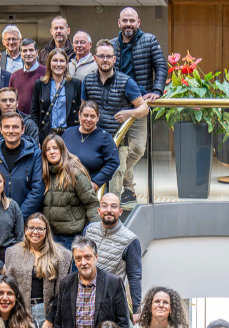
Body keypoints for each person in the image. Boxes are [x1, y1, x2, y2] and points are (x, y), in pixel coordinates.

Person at [110, 6, 167, 205]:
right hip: (116, 105)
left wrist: (157, 91)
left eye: (131, 20)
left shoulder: (149, 40)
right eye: (124, 20)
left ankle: (115, 173)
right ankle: (129, 190)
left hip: (139, 103)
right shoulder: (111, 45)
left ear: (138, 22)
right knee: (119, 148)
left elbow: (161, 66)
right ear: (119, 23)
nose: (128, 24)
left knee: (137, 148)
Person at [2, 213, 70, 328]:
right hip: (21, 310)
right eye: (31, 228)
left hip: (46, 311)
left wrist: (51, 318)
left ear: (47, 231)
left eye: (40, 228)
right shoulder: (13, 253)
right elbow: (8, 286)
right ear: (25, 230)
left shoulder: (61, 255)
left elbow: (63, 291)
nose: (35, 232)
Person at [80, 40, 148, 189]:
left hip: (117, 141)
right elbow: (83, 108)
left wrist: (129, 113)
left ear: (114, 59)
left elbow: (144, 108)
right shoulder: (87, 81)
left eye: (109, 56)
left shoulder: (126, 82)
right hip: (94, 140)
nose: (105, 60)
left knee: (114, 187)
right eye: (102, 56)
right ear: (95, 58)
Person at [49, 238, 131, 328]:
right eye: (78, 258)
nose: (83, 262)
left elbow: (123, 322)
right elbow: (59, 323)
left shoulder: (113, 282)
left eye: (88, 257)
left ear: (96, 257)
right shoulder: (66, 283)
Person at [81, 194, 140, 310]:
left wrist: (137, 308)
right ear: (99, 210)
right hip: (85, 298)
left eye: (114, 206)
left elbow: (134, 277)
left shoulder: (130, 240)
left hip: (111, 303)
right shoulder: (89, 230)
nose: (109, 210)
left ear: (120, 211)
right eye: (104, 206)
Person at [0, 112, 45, 220]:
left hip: (27, 219)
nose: (11, 131)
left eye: (15, 127)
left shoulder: (35, 154)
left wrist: (18, 216)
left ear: (23, 129)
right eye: (6, 127)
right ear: (1, 129)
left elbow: (38, 189)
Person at [40, 134, 99, 249]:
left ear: (62, 150)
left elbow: (91, 203)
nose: (51, 152)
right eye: (47, 149)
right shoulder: (45, 174)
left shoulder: (75, 174)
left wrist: (97, 234)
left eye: (55, 148)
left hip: (71, 237)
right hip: (50, 237)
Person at [63, 102, 120, 193]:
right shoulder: (68, 133)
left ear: (98, 117)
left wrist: (96, 182)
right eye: (85, 115)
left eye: (92, 116)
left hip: (88, 189)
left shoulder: (104, 137)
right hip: (64, 186)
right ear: (79, 115)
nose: (88, 119)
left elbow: (113, 163)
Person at [0, 87, 40, 162]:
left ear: (17, 103)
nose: (8, 103)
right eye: (4, 100)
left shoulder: (29, 124)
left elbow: (35, 153)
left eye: (11, 100)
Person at [33, 49, 82, 140]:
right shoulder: (40, 84)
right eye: (55, 60)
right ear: (49, 63)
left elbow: (80, 111)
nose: (58, 64)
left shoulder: (76, 84)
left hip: (69, 136)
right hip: (46, 135)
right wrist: (36, 138)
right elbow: (34, 114)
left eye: (62, 61)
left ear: (66, 64)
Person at [8, 37, 44, 115]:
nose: (28, 54)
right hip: (19, 121)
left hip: (41, 121)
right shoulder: (14, 76)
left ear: (37, 52)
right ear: (20, 54)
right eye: (24, 51)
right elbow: (11, 100)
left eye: (31, 50)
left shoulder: (46, 73)